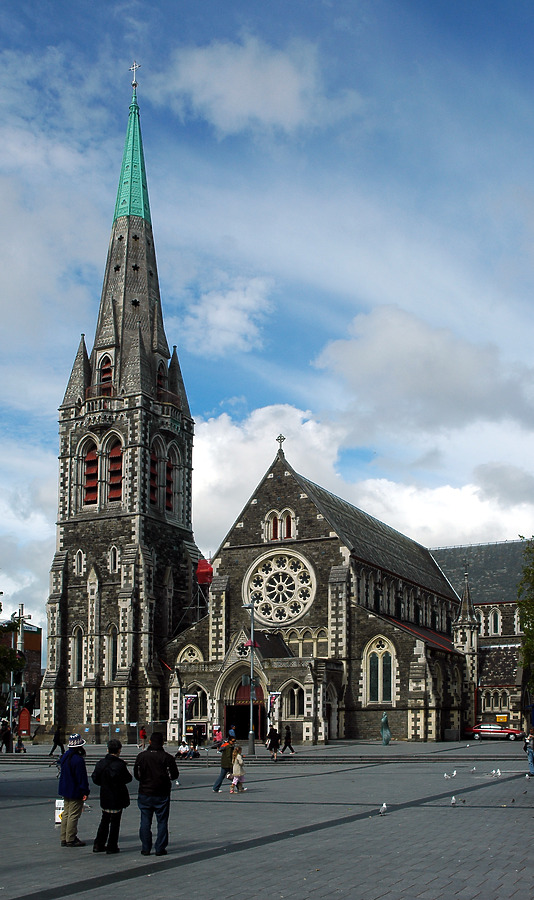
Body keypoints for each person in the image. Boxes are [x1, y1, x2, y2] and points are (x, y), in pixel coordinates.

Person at [134, 731, 178, 856]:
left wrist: (144, 781)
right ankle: (160, 848)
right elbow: (174, 775)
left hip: (145, 792)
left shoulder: (141, 756)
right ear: (163, 743)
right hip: (162, 793)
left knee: (145, 821)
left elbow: (137, 774)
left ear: (149, 742)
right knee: (162, 821)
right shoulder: (167, 757)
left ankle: (145, 848)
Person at [91, 739, 132, 854]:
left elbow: (95, 778)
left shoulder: (101, 763)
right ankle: (112, 846)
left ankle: (98, 844)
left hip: (105, 795)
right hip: (117, 795)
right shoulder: (120, 764)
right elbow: (128, 778)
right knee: (115, 822)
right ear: (119, 750)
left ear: (107, 750)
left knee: (104, 820)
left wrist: (104, 783)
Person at [58, 734, 90, 847]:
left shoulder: (65, 756)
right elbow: (82, 778)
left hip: (65, 788)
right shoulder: (78, 760)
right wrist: (85, 791)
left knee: (66, 813)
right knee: (73, 815)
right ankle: (70, 838)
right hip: (75, 790)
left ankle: (64, 837)